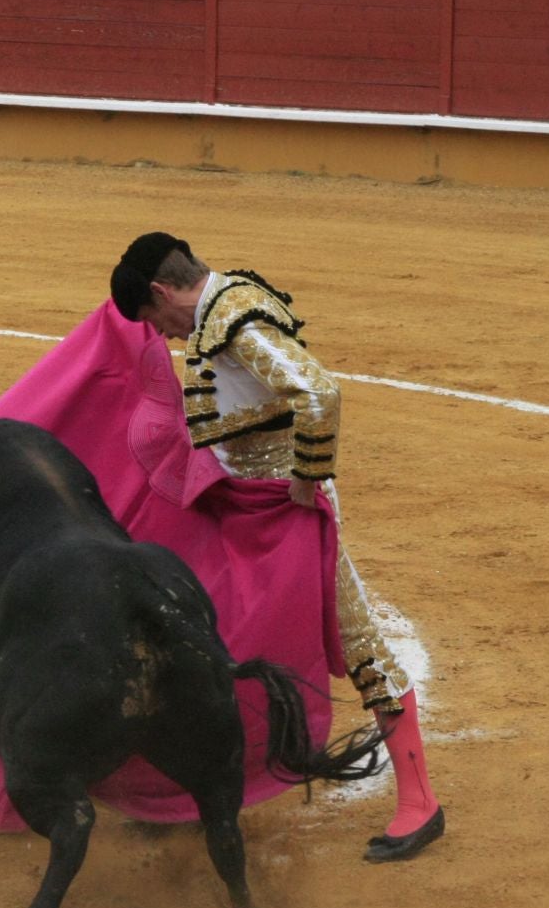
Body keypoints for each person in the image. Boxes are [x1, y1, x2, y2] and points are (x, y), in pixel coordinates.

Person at [109, 233, 446, 863]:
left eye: (158, 321)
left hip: (283, 510)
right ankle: (184, 790)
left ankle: (420, 802)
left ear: (161, 292)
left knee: (357, 638)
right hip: (239, 503)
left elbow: (319, 392)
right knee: (203, 629)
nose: (170, 338)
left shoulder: (233, 319)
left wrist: (306, 481)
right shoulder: (219, 309)